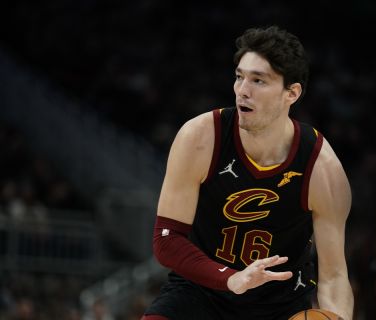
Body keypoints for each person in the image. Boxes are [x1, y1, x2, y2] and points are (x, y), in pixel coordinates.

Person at [141, 25, 354, 320]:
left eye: (258, 80)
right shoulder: (200, 137)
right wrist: (230, 278)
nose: (242, 90)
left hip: (281, 306)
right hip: (202, 292)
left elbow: (333, 275)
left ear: (291, 93)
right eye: (240, 76)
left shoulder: (322, 168)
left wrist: (337, 316)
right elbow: (166, 240)